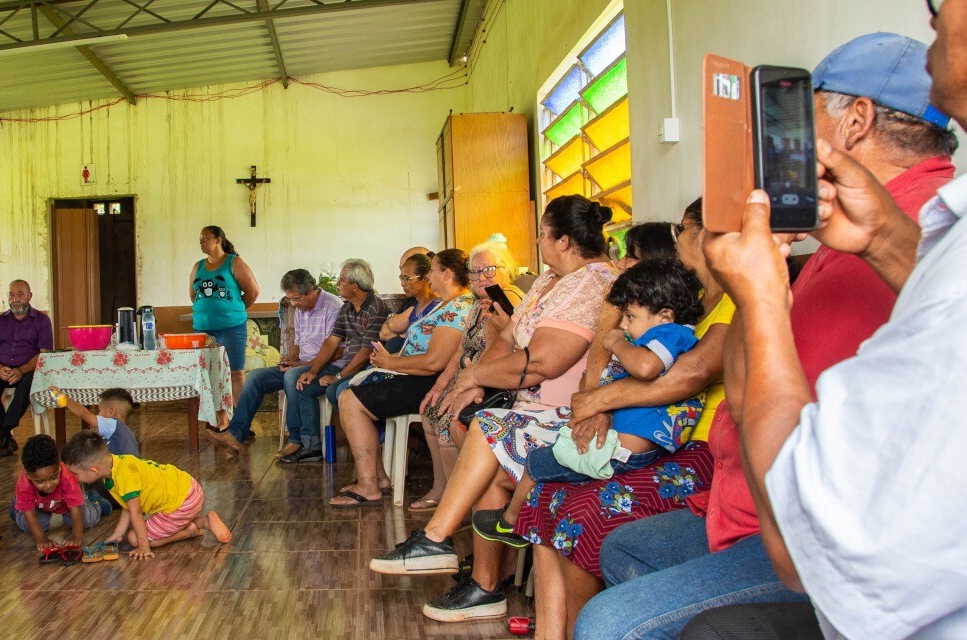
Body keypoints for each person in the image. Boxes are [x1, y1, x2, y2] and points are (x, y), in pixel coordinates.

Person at [576, 31, 961, 639]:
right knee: (626, 548)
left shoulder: (931, 226)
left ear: (855, 121)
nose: (785, 146)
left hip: (803, 528)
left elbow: (799, 506)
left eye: (802, 122)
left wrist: (755, 297)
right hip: (744, 501)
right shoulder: (889, 227)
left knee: (609, 623)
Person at [367, 196, 620, 627]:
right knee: (485, 438)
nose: (538, 241)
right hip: (528, 409)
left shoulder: (592, 283)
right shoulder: (549, 280)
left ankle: (444, 546)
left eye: (542, 234)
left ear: (563, 240)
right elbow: (508, 338)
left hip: (566, 415)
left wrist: (471, 379)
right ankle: (479, 582)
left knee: (487, 433)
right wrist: (477, 377)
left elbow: (544, 360)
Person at [475, 259, 706, 546]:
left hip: (622, 452)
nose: (623, 324)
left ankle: (510, 522)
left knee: (537, 462)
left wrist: (616, 342)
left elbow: (645, 367)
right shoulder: (665, 332)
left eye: (630, 317)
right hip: (622, 445)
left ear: (664, 315)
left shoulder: (670, 334)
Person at [329, 249, 475, 507]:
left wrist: (391, 362)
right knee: (349, 392)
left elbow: (435, 362)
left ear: (447, 274)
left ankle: (369, 485)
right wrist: (388, 362)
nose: (429, 276)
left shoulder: (458, 307)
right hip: (414, 375)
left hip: (429, 382)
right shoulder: (444, 304)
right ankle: (376, 478)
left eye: (433, 270)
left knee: (351, 400)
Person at [414, 234, 526, 511]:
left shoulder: (507, 300)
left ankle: (460, 503)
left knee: (449, 419)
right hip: (471, 375)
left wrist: (467, 385)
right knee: (430, 409)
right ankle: (443, 490)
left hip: (495, 382)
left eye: (489, 270)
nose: (482, 278)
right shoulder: (479, 303)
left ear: (506, 269)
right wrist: (440, 385)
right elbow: (461, 348)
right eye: (475, 273)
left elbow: (497, 351)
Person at [205, 269, 343, 456]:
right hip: (303, 364)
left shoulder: (333, 306)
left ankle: (296, 440)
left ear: (310, 292)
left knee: (292, 376)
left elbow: (336, 350)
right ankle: (235, 435)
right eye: (290, 299)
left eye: (296, 299)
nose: (293, 304)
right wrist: (292, 360)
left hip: (327, 365)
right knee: (254, 377)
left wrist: (301, 366)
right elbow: (297, 341)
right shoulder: (301, 309)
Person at [283, 259, 390, 463]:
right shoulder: (347, 308)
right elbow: (332, 341)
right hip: (349, 368)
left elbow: (367, 351)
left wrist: (339, 376)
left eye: (341, 280)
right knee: (304, 384)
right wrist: (313, 371)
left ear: (354, 286)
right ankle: (311, 446)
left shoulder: (376, 308)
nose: (337, 283)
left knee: (335, 390)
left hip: (369, 367)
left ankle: (370, 436)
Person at [64, 431, 232, 559]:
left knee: (134, 538)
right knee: (131, 533)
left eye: (76, 474)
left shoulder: (123, 478)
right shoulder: (117, 463)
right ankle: (199, 521)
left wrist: (144, 546)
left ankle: (193, 528)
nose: (75, 478)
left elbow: (135, 512)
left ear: (94, 470)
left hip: (182, 503)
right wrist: (117, 533)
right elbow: (127, 507)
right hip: (188, 488)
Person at [0, 279, 53, 457]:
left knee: (27, 385)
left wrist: (21, 370)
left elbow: (44, 353)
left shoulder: (42, 321)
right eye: (12, 294)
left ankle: (2, 433)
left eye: (20, 294)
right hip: (2, 369)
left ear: (30, 296)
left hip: (28, 370)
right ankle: (5, 437)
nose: (15, 299)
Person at [190, 225, 259, 399]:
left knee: (235, 373)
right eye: (200, 239)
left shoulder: (234, 262)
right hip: (202, 329)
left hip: (231, 328)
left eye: (206, 238)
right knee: (208, 373)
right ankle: (218, 419)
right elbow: (193, 295)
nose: (202, 242)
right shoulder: (198, 266)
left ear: (218, 240)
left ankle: (242, 422)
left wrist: (233, 309)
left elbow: (253, 292)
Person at [9, 434, 111, 551]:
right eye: (40, 481)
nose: (48, 485)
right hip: (40, 506)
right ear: (27, 474)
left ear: (59, 467)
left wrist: (76, 537)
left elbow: (75, 509)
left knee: (85, 521)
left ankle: (95, 502)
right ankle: (17, 506)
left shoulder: (68, 477)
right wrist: (42, 539)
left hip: (66, 505)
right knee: (29, 525)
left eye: (53, 478)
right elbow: (30, 514)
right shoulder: (24, 482)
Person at [379, 250, 440, 354]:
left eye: (407, 278)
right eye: (401, 278)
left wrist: (389, 361)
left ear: (425, 278)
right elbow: (384, 334)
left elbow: (427, 355)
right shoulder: (416, 306)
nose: (402, 284)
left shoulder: (437, 306)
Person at [51, 386, 140, 456]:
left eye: (99, 410)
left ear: (111, 412)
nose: (97, 415)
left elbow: (83, 414)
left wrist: (65, 399)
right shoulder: (127, 433)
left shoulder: (113, 424)